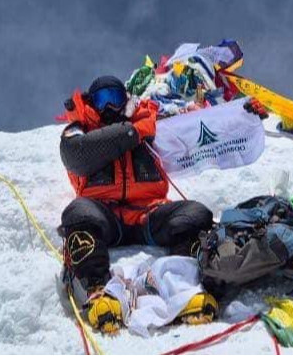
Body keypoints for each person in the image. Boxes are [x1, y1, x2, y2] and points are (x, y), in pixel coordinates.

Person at [58, 75, 216, 333]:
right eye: (101, 100)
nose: (109, 107)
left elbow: (193, 125)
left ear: (126, 100)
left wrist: (242, 116)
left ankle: (184, 286)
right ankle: (98, 289)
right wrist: (134, 131)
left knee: (195, 213)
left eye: (115, 98)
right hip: (104, 213)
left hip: (148, 213)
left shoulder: (151, 121)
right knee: (78, 212)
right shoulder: (79, 128)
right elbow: (76, 155)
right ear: (91, 103)